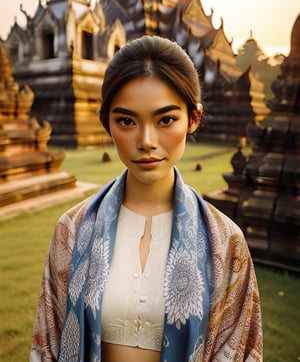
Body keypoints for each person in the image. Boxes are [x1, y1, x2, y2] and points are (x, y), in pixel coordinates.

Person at [30, 35, 263, 362]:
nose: (146, 141)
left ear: (192, 119)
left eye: (166, 119)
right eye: (126, 121)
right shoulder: (71, 230)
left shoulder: (226, 243)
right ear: (107, 123)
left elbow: (239, 352)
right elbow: (47, 348)